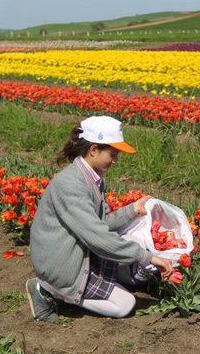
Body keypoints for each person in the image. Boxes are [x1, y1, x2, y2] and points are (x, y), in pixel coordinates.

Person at [26, 116, 173, 322]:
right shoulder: (70, 185)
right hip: (63, 266)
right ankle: (49, 291)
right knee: (125, 304)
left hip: (80, 252)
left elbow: (100, 225)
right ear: (93, 150)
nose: (116, 160)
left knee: (132, 264)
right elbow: (99, 237)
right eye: (112, 154)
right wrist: (148, 258)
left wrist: (132, 210)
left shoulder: (91, 177)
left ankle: (74, 287)